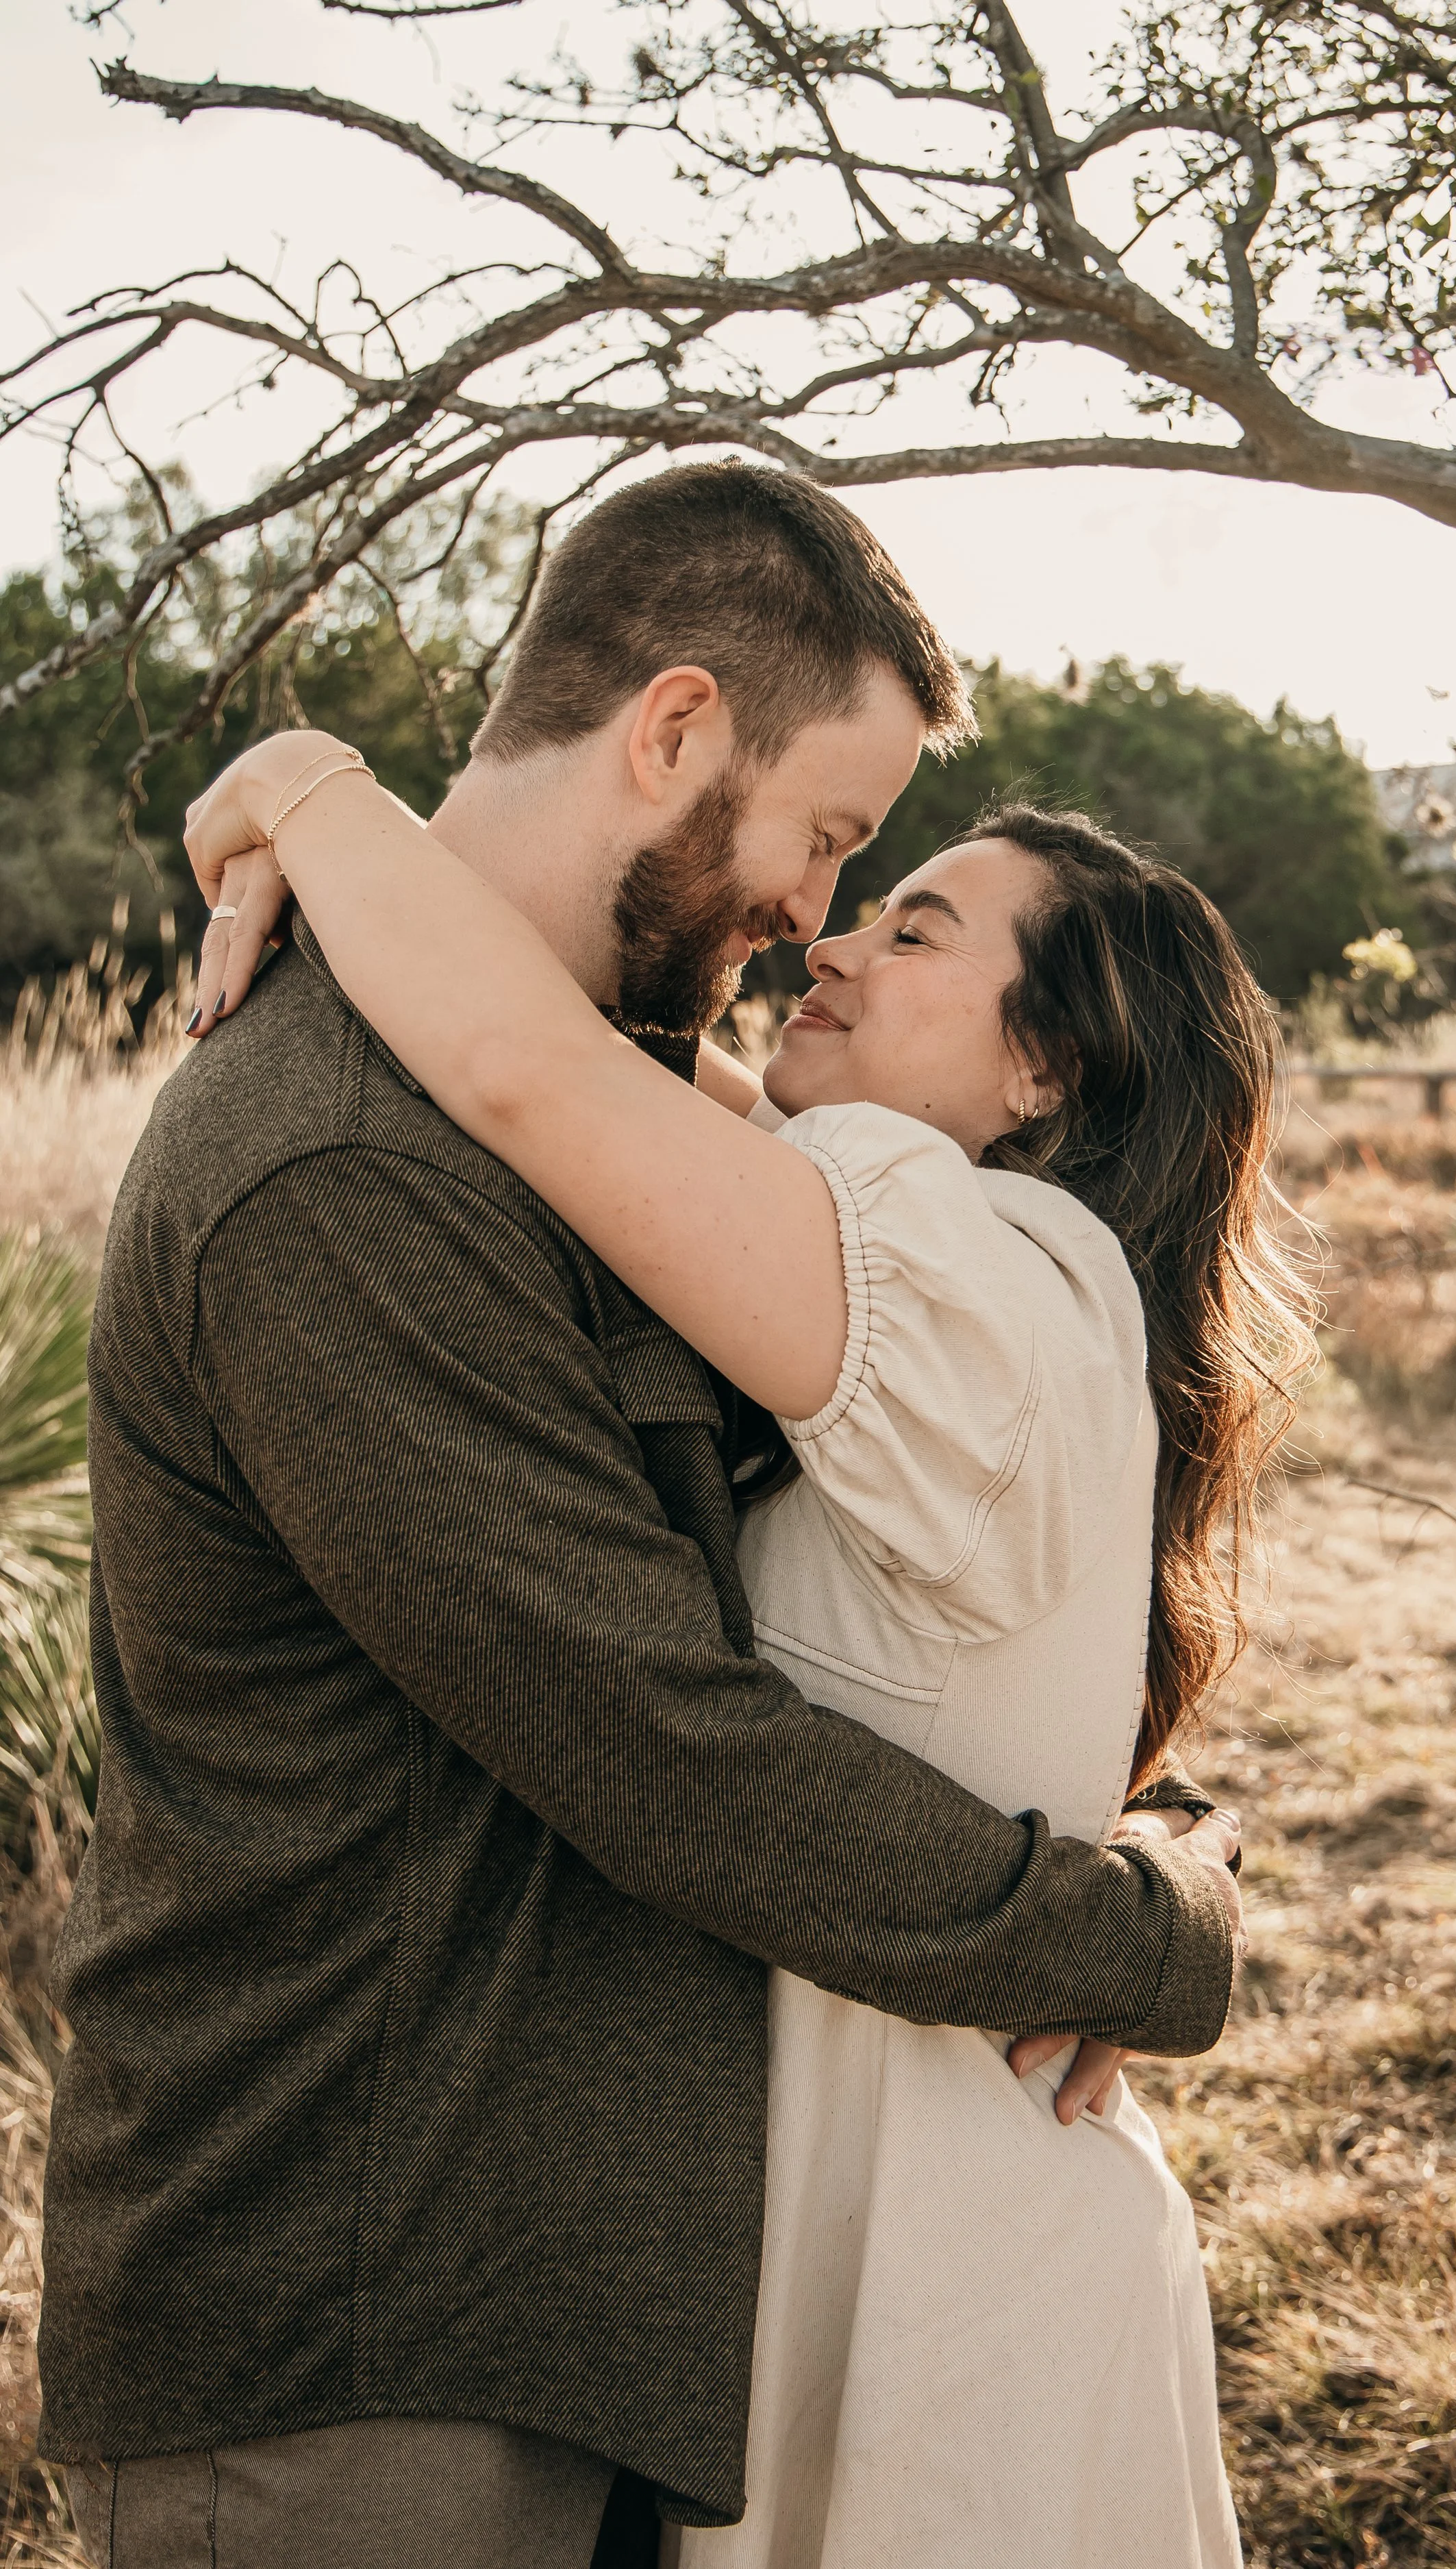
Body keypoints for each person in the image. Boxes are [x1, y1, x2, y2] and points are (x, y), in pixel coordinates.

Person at [40, 464, 1248, 2569]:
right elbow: (656, 1727)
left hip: (584, 2303)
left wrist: (319, 791)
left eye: (879, 879)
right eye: (828, 841)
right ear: (674, 731)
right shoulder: (343, 1155)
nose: (815, 919)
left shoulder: (643, 1133)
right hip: (354, 2314)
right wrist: (1128, 1926)